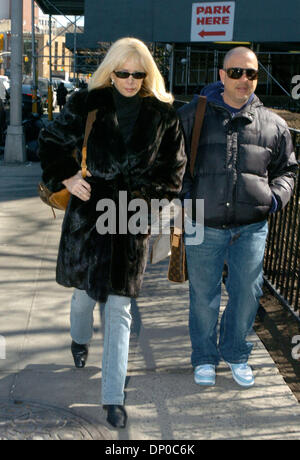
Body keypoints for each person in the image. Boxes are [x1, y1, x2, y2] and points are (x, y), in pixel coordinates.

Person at [38, 37, 186, 428]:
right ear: (111, 70)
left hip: (131, 220)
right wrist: (66, 177)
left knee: (120, 308)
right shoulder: (88, 104)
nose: (131, 80)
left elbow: (174, 171)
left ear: (148, 74)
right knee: (84, 298)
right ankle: (79, 340)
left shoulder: (164, 115)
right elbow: (50, 139)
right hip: (89, 217)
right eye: (123, 72)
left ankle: (111, 397)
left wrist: (151, 202)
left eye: (139, 74)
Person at [178, 47, 298, 388]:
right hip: (203, 222)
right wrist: (187, 199)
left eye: (251, 74)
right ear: (221, 75)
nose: (244, 80)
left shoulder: (274, 124)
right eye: (236, 73)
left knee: (247, 293)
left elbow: (287, 169)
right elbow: (174, 164)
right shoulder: (192, 115)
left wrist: (274, 199)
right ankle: (204, 357)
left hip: (251, 226)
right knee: (204, 295)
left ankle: (235, 354)